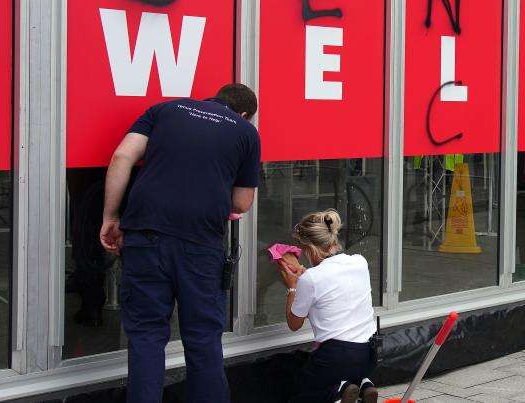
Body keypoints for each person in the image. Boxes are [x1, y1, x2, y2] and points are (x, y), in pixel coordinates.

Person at [99, 83, 261, 403]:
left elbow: (121, 156)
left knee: (146, 336)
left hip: (144, 234)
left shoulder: (165, 110)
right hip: (200, 244)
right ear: (244, 114)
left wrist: (111, 215)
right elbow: (242, 203)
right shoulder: (245, 131)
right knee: (202, 339)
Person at [276, 209, 378, 403]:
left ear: (310, 249)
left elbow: (294, 323)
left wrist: (292, 287)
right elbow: (335, 291)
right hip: (368, 354)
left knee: (303, 393)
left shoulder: (310, 279)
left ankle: (338, 391)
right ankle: (364, 385)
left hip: (334, 356)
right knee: (344, 367)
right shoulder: (359, 262)